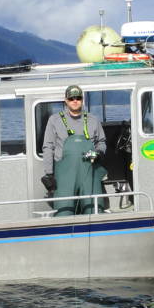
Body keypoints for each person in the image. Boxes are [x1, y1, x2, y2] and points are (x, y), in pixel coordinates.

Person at [41, 84, 107, 216]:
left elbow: (102, 142)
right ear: (66, 101)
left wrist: (99, 153)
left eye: (78, 98)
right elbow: (48, 147)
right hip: (65, 177)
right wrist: (48, 173)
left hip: (90, 174)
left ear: (82, 100)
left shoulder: (93, 120)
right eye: (71, 98)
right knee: (63, 213)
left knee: (94, 211)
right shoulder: (54, 120)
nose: (75, 101)